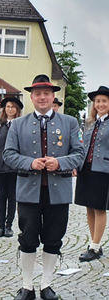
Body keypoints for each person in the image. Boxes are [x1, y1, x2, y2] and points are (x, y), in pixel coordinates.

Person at [3, 74, 84, 300]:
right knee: (28, 238)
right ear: (31, 96)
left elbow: (79, 154)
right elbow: (8, 154)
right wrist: (29, 163)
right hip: (28, 191)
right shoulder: (18, 124)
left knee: (53, 238)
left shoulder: (70, 122)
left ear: (53, 96)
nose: (42, 97)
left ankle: (46, 285)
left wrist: (60, 163)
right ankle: (27, 286)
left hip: (58, 192)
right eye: (37, 93)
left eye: (46, 93)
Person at [74, 86, 109, 262]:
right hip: (86, 169)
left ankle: (94, 247)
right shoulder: (91, 123)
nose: (100, 104)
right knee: (88, 206)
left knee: (99, 207)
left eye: (104, 101)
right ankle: (97, 243)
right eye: (98, 101)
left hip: (103, 170)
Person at [0, 97, 23, 238]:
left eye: (13, 107)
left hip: (14, 166)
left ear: (17, 110)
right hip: (0, 166)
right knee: (2, 196)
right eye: (8, 107)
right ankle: (0, 226)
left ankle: (9, 226)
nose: (10, 109)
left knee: (12, 196)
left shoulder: (20, 126)